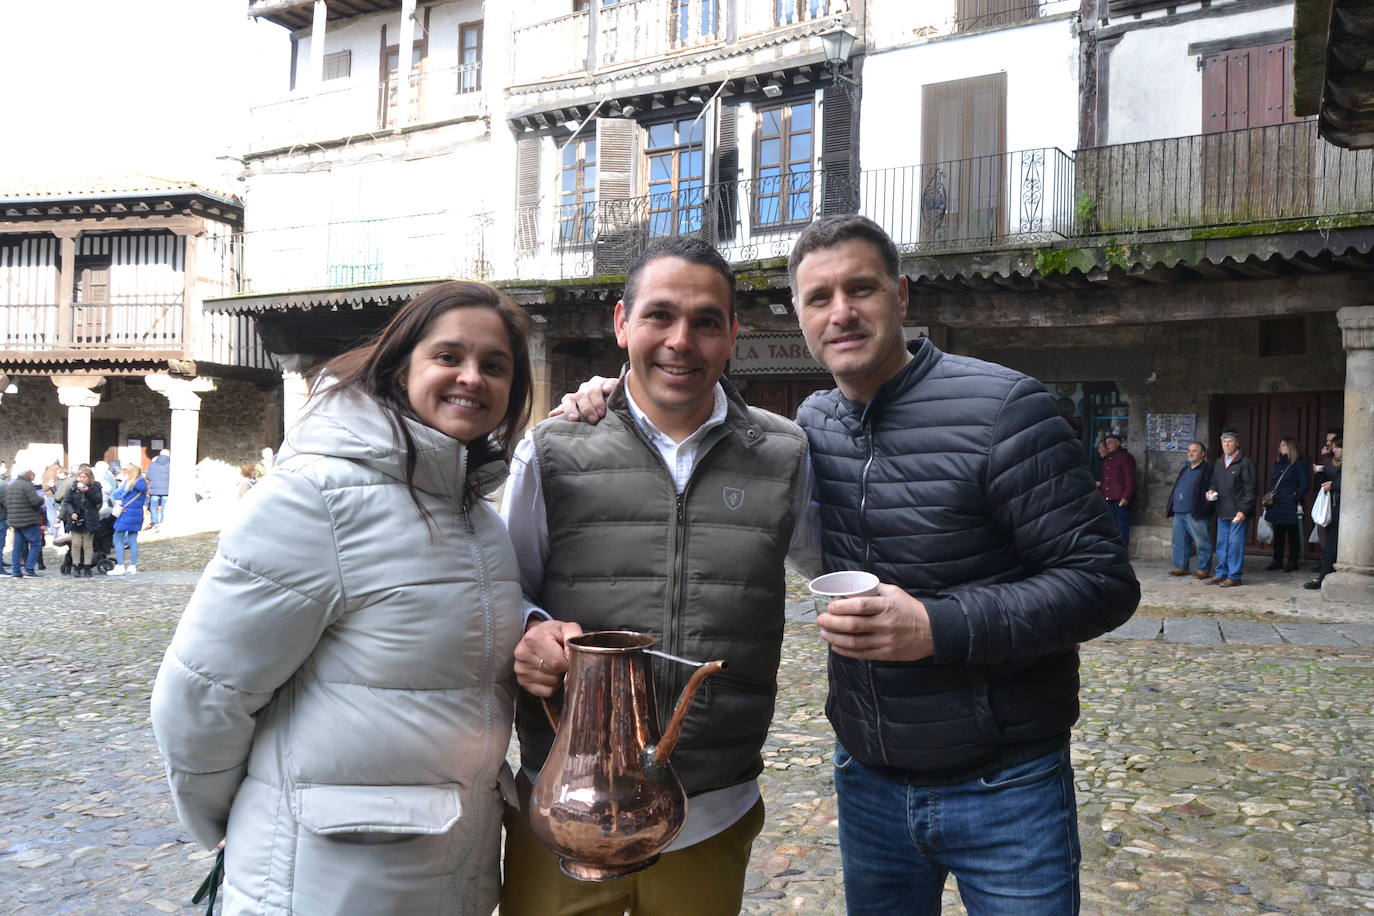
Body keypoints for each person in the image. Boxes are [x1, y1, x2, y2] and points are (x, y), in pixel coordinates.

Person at [790, 215, 1138, 914]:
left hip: (1006, 788)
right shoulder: (813, 423)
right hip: (867, 779)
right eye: (819, 297)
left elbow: (1101, 582)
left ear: (901, 296)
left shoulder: (1005, 407)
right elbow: (706, 435)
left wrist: (938, 628)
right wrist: (614, 400)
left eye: (861, 288)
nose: (842, 312)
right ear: (798, 315)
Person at [150, 280, 533, 915]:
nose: (472, 377)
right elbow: (201, 692)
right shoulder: (317, 498)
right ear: (401, 364)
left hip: (447, 871)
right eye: (448, 356)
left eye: (494, 366)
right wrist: (239, 816)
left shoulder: (482, 523)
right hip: (327, 876)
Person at [501, 237, 816, 916]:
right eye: (659, 316)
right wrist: (530, 631)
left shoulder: (785, 454)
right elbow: (504, 592)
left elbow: (839, 570)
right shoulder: (553, 448)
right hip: (565, 806)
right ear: (621, 324)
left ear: (733, 334)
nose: (682, 340)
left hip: (711, 807)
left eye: (706, 321)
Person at [1205, 430, 1257, 588]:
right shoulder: (1220, 462)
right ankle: (1221, 573)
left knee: (1235, 544)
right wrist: (1211, 490)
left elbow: (1251, 489)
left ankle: (1234, 576)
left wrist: (1244, 510)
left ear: (1237, 444)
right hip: (1222, 510)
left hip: (1238, 512)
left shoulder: (1245, 462)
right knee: (1222, 544)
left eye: (1230, 441)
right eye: (1224, 442)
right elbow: (1213, 481)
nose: (1226, 444)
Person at [1165, 440, 1215, 578]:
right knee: (1179, 542)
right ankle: (1181, 567)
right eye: (1189, 451)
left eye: (1194, 451)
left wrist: (1206, 507)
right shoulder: (1185, 469)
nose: (1190, 453)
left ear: (1203, 454)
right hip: (1179, 510)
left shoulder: (1207, 470)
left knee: (1202, 542)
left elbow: (1213, 488)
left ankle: (1204, 569)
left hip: (1195, 512)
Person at [1263, 437, 1311, 573]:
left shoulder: (1299, 463)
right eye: (1280, 445)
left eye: (1283, 445)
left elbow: (1305, 484)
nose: (1280, 448)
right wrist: (1267, 498)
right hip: (1277, 503)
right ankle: (1277, 560)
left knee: (1292, 534)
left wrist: (1295, 495)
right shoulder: (1278, 463)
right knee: (1278, 533)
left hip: (1291, 504)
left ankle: (1292, 561)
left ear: (1291, 447)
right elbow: (1273, 483)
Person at [1305, 436, 1342, 590]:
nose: (1333, 450)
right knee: (1329, 543)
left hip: (1344, 507)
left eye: (1337, 447)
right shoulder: (1330, 463)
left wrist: (1334, 485)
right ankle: (1324, 576)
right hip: (1332, 507)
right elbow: (1323, 481)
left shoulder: (1350, 463)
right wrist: (1319, 473)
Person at [61, 467, 103, 578]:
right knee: (75, 544)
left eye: (84, 477)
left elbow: (98, 500)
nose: (82, 479)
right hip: (76, 519)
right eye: (80, 477)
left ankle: (87, 567)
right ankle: (76, 566)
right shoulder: (74, 487)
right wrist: (71, 513)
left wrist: (87, 491)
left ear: (89, 477)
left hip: (89, 519)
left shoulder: (95, 486)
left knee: (88, 545)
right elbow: (67, 501)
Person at [107, 463, 148, 576]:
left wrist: (123, 483)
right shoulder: (143, 483)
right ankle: (133, 566)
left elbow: (117, 495)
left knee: (118, 539)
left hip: (126, 513)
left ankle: (120, 565)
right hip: (138, 514)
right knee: (133, 540)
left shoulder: (129, 483)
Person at [6, 469, 45, 578]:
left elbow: (6, 502)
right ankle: (29, 569)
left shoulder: (11, 485)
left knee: (17, 547)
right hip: (29, 520)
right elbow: (35, 501)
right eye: (32, 475)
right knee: (36, 544)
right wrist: (42, 499)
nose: (33, 478)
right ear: (27, 476)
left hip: (15, 521)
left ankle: (16, 571)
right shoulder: (27, 486)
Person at [1099, 433, 1137, 546]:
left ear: (1118, 443)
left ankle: (1122, 552)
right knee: (1110, 526)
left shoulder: (1125, 457)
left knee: (1121, 526)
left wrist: (1126, 497)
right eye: (1106, 443)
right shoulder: (1107, 459)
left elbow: (1130, 479)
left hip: (1120, 498)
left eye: (1110, 442)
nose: (1108, 445)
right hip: (1108, 498)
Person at [146, 449, 171, 529]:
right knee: (165, 507)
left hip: (154, 490)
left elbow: (148, 476)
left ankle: (155, 523)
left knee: (153, 507)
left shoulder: (152, 464)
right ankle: (163, 523)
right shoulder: (171, 465)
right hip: (166, 490)